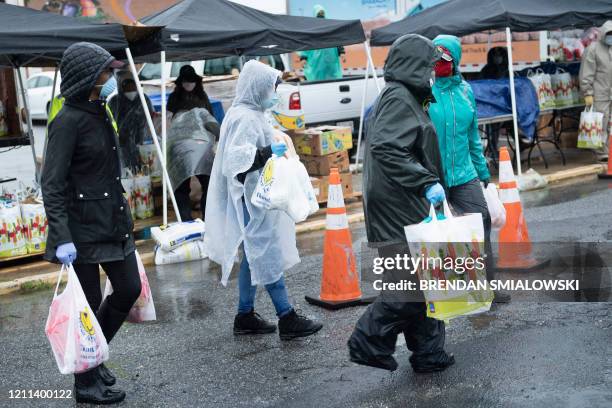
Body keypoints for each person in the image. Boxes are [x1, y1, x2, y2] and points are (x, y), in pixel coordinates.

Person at [347, 34, 455, 373]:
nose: (432, 73)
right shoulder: (398, 97)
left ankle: (429, 352)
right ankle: (367, 340)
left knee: (427, 279)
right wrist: (426, 182)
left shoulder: (407, 96)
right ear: (412, 66)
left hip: (405, 201)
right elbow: (387, 148)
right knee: (413, 286)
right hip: (399, 205)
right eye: (427, 66)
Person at [42, 42, 141, 405]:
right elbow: (51, 184)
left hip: (112, 221)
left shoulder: (101, 109)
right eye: (105, 72)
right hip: (81, 230)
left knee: (128, 289)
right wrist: (61, 237)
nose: (111, 77)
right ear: (88, 77)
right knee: (90, 304)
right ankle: (85, 383)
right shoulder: (66, 120)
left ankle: (93, 357)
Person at [205, 60, 322, 340]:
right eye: (272, 87)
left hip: (258, 196)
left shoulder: (252, 113)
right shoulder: (244, 117)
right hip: (251, 200)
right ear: (257, 87)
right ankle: (287, 316)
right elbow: (235, 161)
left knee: (253, 255)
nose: (275, 92)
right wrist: (268, 151)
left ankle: (245, 315)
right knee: (265, 253)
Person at [428, 35, 510, 304]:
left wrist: (483, 172)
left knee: (481, 221)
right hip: (433, 176)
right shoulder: (425, 90)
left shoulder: (465, 91)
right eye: (435, 58)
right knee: (433, 232)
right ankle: (437, 289)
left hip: (464, 173)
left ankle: (487, 284)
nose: (439, 63)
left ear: (455, 61)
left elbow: (472, 135)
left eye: (444, 59)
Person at [167, 65, 216, 220]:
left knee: (208, 183)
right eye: (185, 81)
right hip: (183, 147)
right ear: (180, 83)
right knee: (182, 186)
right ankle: (186, 219)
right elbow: (167, 121)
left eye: (191, 81)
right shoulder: (174, 98)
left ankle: (206, 216)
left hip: (199, 146)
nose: (188, 84)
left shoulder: (202, 97)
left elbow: (210, 121)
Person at [580, 20, 612, 162]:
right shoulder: (593, 49)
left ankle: (609, 150)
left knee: (609, 123)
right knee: (601, 123)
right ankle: (601, 152)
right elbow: (586, 73)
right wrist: (587, 92)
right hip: (599, 93)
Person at [108, 77, 154, 171]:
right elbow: (109, 120)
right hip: (122, 141)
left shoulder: (144, 99)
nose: (131, 91)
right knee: (127, 169)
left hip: (142, 140)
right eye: (127, 89)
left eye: (133, 89)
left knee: (144, 165)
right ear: (122, 90)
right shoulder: (114, 101)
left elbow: (152, 116)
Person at [298, 5, 344, 82]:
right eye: (319, 12)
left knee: (333, 79)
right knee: (318, 79)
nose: (321, 14)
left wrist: (341, 52)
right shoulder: (312, 29)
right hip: (317, 61)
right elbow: (307, 43)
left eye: (322, 12)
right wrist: (303, 58)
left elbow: (337, 40)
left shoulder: (330, 26)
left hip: (331, 59)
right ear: (315, 14)